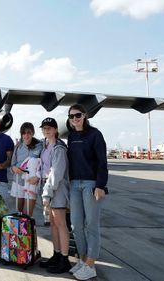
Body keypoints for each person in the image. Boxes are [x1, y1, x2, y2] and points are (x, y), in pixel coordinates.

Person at [66, 104, 108, 280]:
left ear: (84, 116)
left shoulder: (95, 135)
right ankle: (83, 261)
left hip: (91, 184)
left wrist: (100, 186)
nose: (75, 119)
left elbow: (102, 162)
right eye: (71, 116)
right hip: (75, 184)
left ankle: (90, 265)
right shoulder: (72, 136)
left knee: (91, 225)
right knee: (76, 225)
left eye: (77, 115)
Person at [37, 117, 71, 273]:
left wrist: (47, 193)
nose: (46, 130)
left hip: (57, 189)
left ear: (56, 130)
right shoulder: (46, 146)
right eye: (44, 128)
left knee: (60, 224)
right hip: (47, 186)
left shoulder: (59, 148)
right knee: (53, 223)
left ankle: (64, 259)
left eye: (49, 128)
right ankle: (56, 255)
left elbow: (56, 174)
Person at [10, 122, 42, 216]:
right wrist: (14, 169)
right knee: (19, 213)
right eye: (24, 133)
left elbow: (43, 164)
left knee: (27, 214)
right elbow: (12, 165)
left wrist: (38, 176)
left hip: (31, 183)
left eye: (29, 133)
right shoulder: (18, 147)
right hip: (19, 182)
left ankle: (28, 231)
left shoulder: (39, 146)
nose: (26, 135)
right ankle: (20, 231)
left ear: (32, 133)